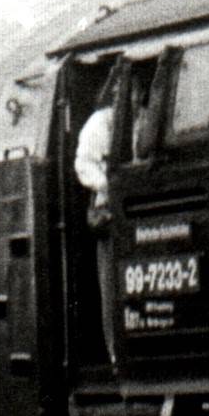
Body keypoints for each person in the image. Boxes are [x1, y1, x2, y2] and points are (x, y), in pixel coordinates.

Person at [75, 76, 118, 362]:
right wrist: (109, 186)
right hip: (111, 211)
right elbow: (84, 164)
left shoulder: (140, 117)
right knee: (111, 284)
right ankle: (116, 354)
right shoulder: (101, 123)